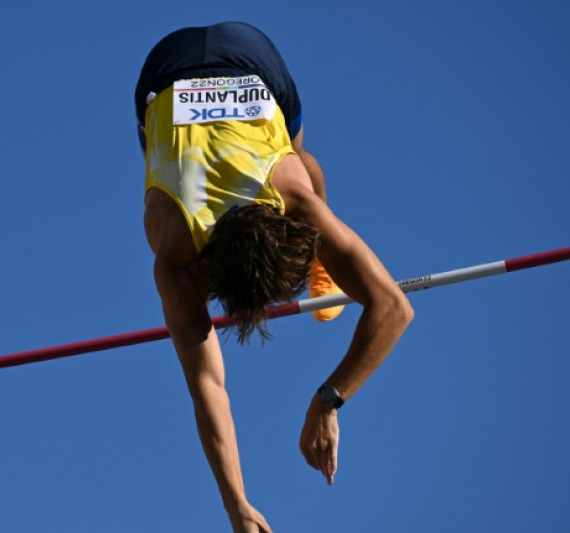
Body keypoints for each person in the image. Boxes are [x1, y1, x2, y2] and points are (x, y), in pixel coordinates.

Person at [136, 22, 414, 532]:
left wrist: (329, 400)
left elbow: (395, 309)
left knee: (299, 171)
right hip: (196, 63)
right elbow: (209, 385)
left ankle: (324, 265)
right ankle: (327, 255)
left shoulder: (181, 252)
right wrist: (237, 504)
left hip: (223, 62)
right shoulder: (281, 201)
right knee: (298, 162)